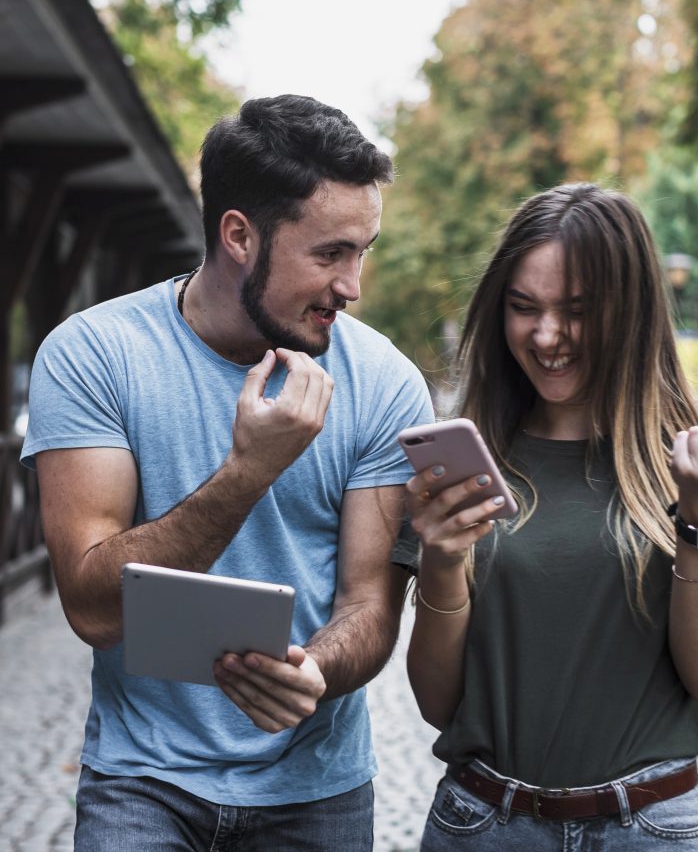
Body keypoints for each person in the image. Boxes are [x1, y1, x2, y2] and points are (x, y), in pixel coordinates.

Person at [21, 95, 433, 851]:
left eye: (362, 251)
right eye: (329, 253)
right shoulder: (94, 355)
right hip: (141, 781)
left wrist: (317, 672)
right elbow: (92, 607)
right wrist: (249, 471)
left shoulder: (383, 382)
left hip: (317, 791)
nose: (353, 287)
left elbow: (371, 603)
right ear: (239, 235)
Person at [394, 183, 698, 850]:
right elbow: (440, 704)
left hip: (650, 828)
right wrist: (439, 561)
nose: (547, 337)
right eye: (524, 308)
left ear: (631, 310)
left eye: (577, 312)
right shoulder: (467, 453)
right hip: (482, 824)